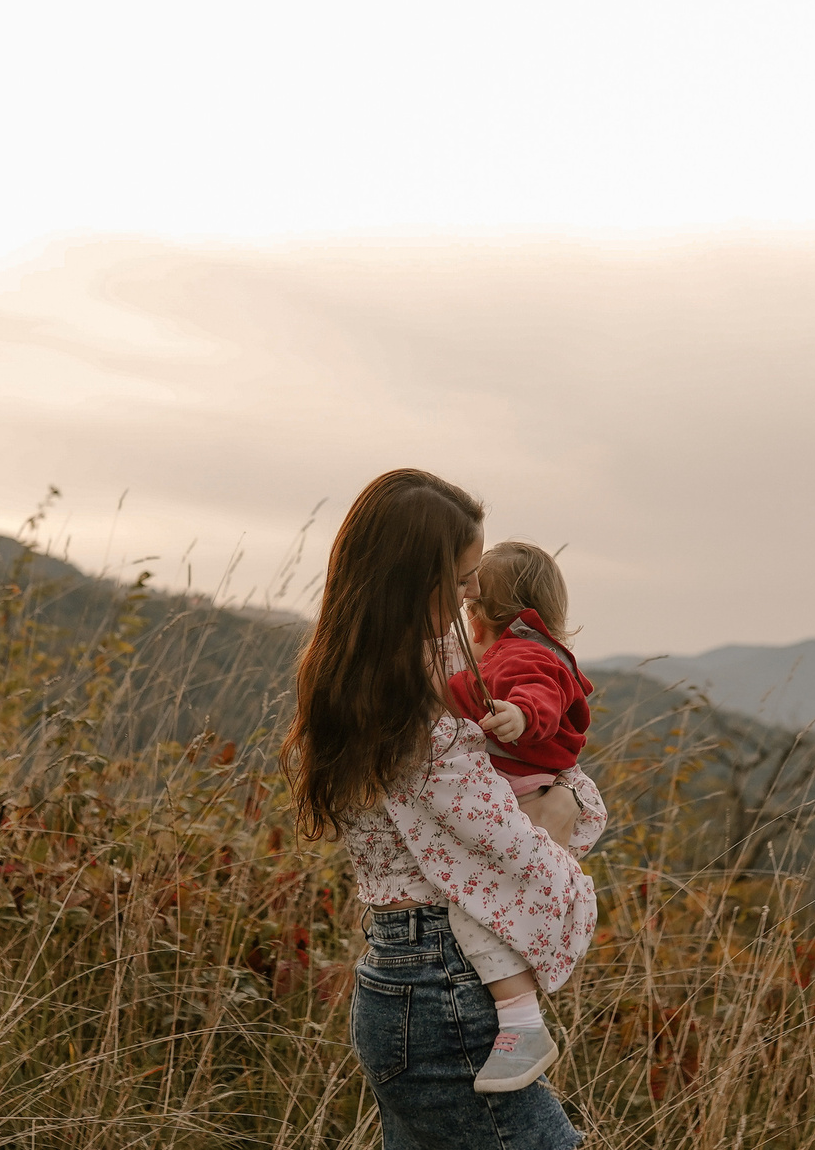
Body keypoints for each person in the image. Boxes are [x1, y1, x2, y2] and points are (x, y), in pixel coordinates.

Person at [286, 470, 606, 1150]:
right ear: (415, 579)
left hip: (412, 983)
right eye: (460, 581)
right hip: (443, 989)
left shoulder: (369, 673)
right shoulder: (411, 709)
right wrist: (565, 828)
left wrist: (564, 798)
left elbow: (544, 783)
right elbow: (508, 844)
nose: (471, 597)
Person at [441, 540, 593, 1090]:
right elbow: (460, 691)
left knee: (474, 908)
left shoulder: (521, 655)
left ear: (484, 615)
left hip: (523, 796)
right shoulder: (522, 650)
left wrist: (520, 715)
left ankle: (523, 1023)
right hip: (534, 795)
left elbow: (536, 695)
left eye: (470, 602)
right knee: (503, 899)